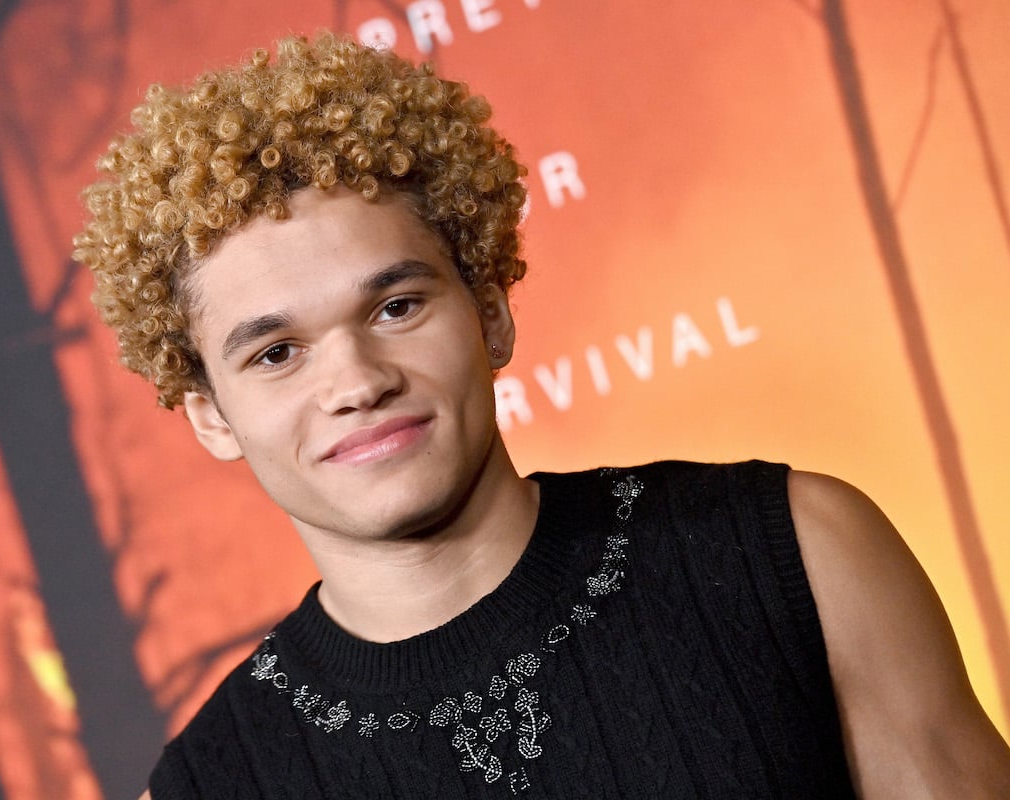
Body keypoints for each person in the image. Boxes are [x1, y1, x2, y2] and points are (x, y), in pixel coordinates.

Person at [73, 32, 1010, 800]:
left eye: (395, 307)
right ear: (211, 418)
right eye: (276, 354)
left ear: (490, 309)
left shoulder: (797, 553)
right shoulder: (218, 782)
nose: (355, 380)